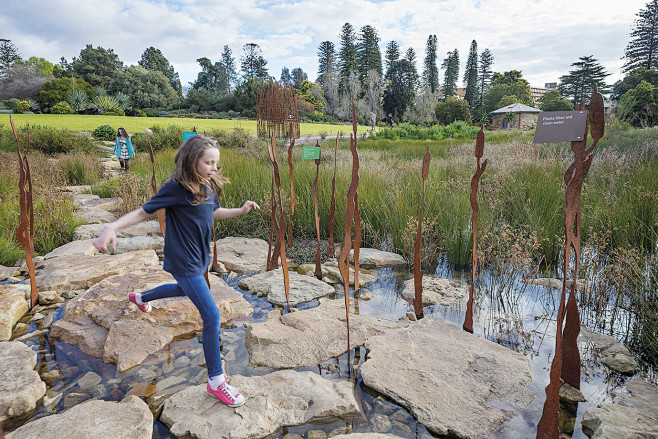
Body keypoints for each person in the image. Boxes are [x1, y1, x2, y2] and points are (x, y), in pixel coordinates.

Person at [93, 135, 260, 408]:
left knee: (184, 290)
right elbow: (143, 212)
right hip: (184, 261)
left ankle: (141, 298)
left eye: (216, 163)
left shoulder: (209, 186)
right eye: (209, 162)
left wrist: (240, 211)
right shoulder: (175, 188)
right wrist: (111, 227)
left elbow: (212, 213)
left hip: (199, 258)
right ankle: (216, 382)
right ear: (191, 160)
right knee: (211, 315)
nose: (214, 168)